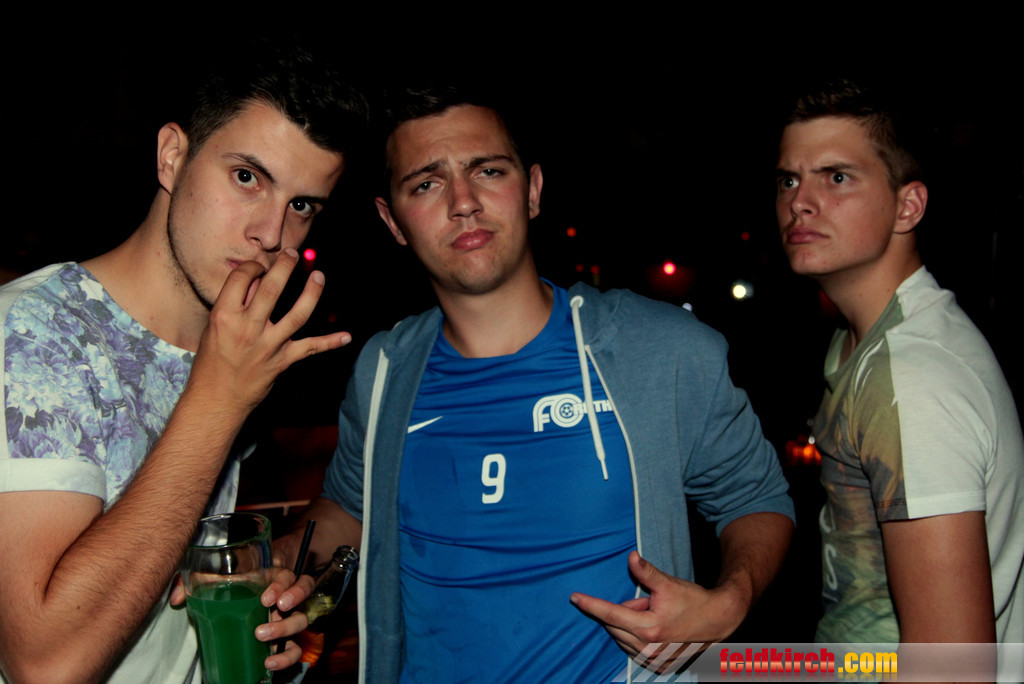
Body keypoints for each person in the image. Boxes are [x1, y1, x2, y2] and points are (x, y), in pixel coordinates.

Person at [280, 87, 794, 682]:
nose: (463, 202)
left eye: (488, 171)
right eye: (426, 184)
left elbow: (755, 497)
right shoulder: (384, 371)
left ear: (532, 190)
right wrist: (285, 556)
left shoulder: (660, 351)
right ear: (392, 221)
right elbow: (350, 505)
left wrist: (730, 602)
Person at [0, 44, 367, 684]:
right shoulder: (33, 335)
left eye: (302, 205)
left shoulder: (230, 347)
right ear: (172, 155)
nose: (271, 234)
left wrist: (260, 600)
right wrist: (219, 400)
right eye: (247, 177)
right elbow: (45, 664)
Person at [775, 80, 1024, 645]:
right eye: (789, 179)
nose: (800, 201)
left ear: (907, 206)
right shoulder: (859, 343)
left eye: (837, 177)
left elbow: (951, 669)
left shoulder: (912, 379)